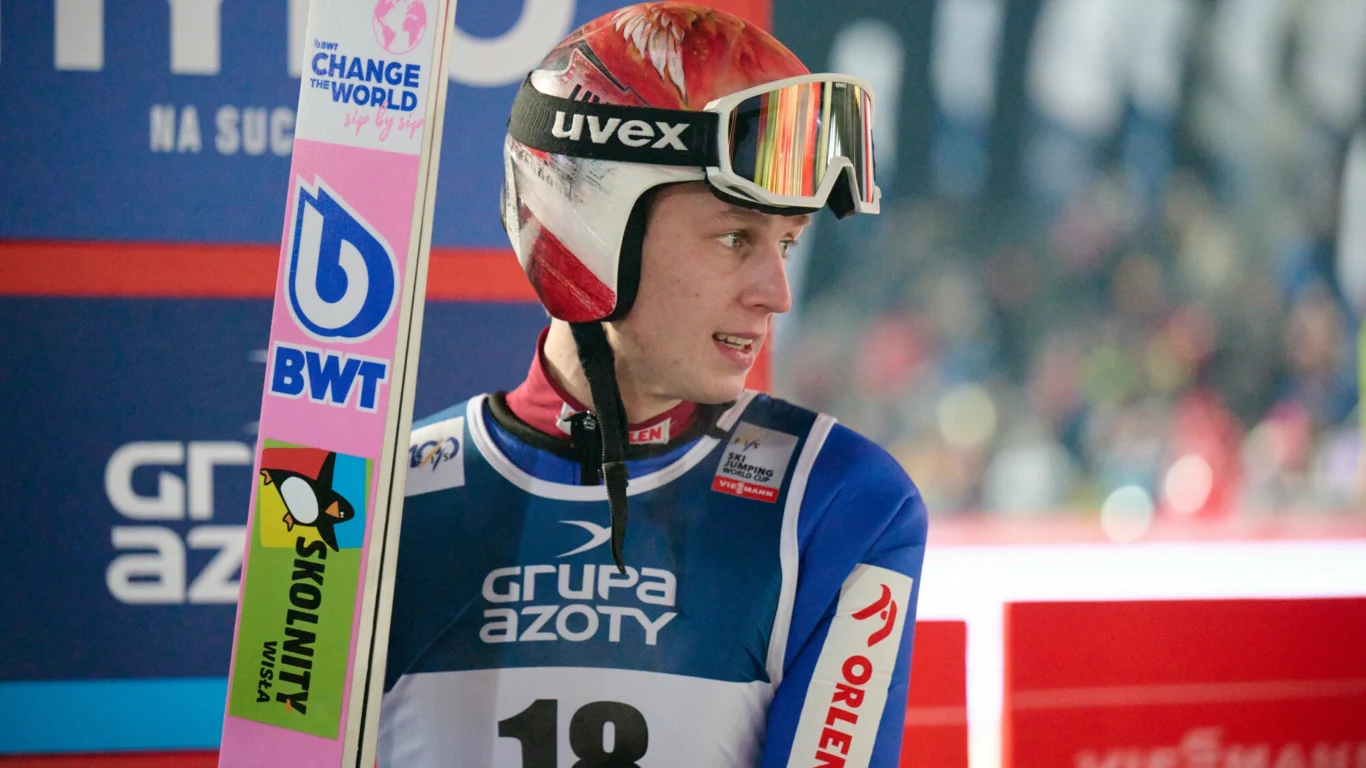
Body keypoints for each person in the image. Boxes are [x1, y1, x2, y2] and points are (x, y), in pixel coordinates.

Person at [378, 4, 928, 766]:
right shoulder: (364, 504)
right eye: (734, 237)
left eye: (788, 242)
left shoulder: (841, 501)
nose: (776, 294)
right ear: (586, 230)